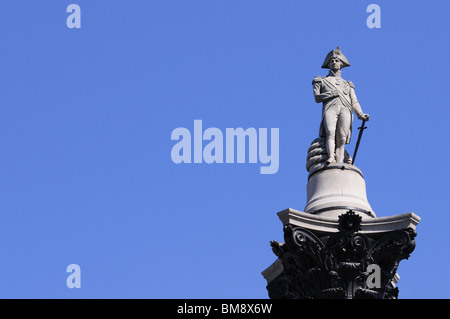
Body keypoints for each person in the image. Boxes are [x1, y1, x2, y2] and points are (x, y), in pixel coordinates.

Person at [312, 47, 370, 164]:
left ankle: (339, 163)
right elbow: (317, 98)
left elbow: (354, 102)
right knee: (330, 133)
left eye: (336, 60)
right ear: (328, 64)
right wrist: (333, 93)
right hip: (331, 108)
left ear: (341, 64)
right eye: (331, 61)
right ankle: (331, 158)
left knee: (342, 139)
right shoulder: (321, 80)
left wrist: (360, 114)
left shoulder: (348, 84)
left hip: (345, 109)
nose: (334, 62)